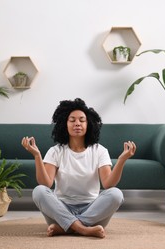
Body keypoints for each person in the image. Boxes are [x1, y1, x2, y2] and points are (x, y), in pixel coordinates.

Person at [21, 98, 136, 238]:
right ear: (65, 124)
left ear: (89, 124)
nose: (77, 123)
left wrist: (122, 160)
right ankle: (83, 229)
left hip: (93, 211)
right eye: (72, 120)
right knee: (39, 191)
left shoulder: (99, 151)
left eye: (82, 120)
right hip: (61, 210)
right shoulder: (56, 151)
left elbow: (108, 184)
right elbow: (46, 183)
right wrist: (37, 156)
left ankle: (67, 228)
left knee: (116, 194)